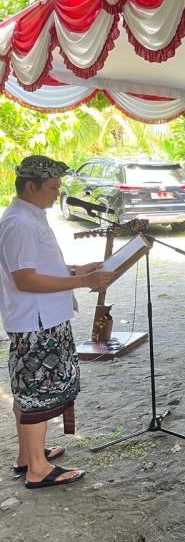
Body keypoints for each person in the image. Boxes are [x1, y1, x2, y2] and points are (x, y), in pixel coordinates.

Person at [0, 155, 115, 489]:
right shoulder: (20, 223)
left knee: (29, 389)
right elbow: (25, 279)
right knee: (36, 391)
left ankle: (29, 455)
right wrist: (81, 283)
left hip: (41, 317)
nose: (57, 193)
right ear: (31, 186)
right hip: (37, 322)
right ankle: (38, 468)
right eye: (52, 187)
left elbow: (40, 268)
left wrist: (79, 270)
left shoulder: (30, 216)